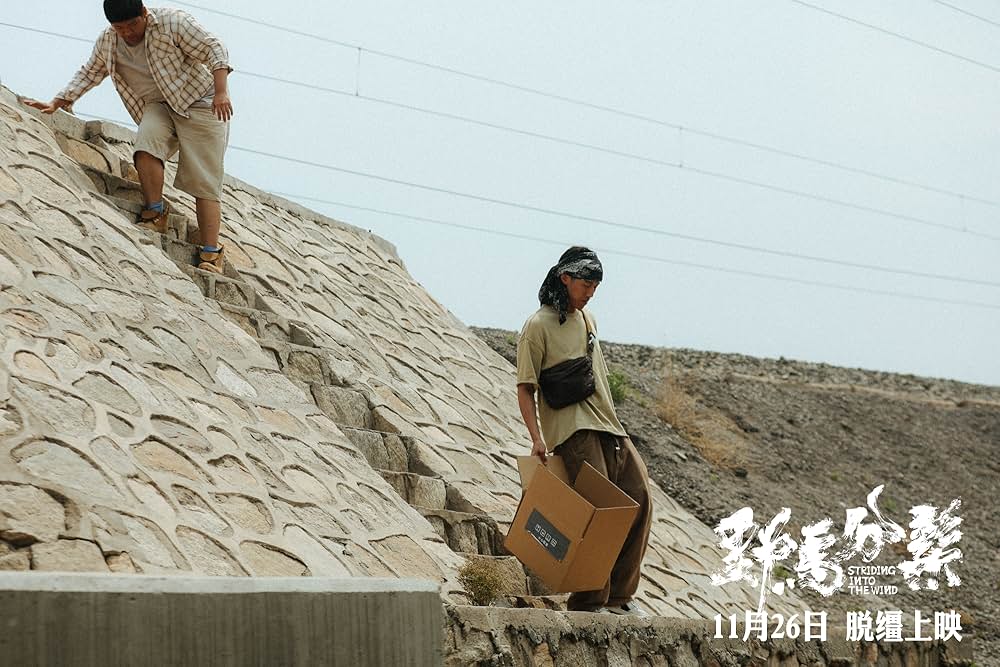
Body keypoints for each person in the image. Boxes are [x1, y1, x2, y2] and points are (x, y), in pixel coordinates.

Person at [25, 0, 233, 273]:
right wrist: (59, 100)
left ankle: (210, 254)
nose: (128, 32)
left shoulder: (172, 22)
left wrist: (221, 92)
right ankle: (155, 212)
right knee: (145, 148)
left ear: (144, 14)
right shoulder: (109, 42)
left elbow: (213, 48)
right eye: (120, 27)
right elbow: (90, 72)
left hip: (201, 102)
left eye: (133, 25)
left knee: (203, 178)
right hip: (159, 105)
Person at [515, 246, 653, 615]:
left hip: (610, 427)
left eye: (595, 285)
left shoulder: (588, 320)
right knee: (602, 511)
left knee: (639, 501)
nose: (591, 291)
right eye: (586, 283)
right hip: (574, 432)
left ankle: (621, 597)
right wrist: (537, 438)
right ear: (566, 279)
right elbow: (525, 388)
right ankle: (590, 600)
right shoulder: (537, 326)